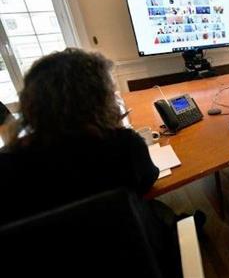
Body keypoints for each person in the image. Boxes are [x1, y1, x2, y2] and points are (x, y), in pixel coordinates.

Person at [0, 48, 201, 277]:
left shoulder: (6, 164)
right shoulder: (125, 145)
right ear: (99, 99)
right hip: (131, 255)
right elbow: (147, 181)